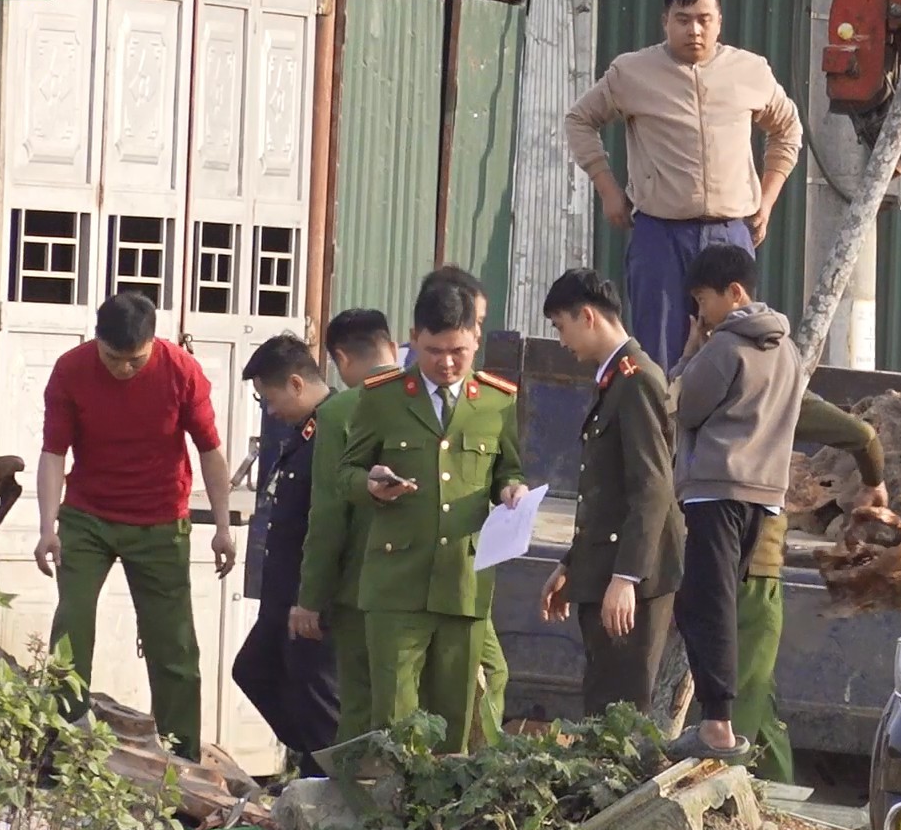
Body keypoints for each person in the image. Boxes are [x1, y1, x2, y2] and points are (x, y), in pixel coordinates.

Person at [564, 0, 803, 372]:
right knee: (658, 355)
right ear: (665, 21)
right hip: (661, 233)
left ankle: (724, 435)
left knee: (735, 351)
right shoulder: (632, 72)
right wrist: (606, 188)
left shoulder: (751, 71)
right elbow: (579, 120)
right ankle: (661, 433)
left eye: (704, 19)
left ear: (719, 21)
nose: (695, 30)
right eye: (683, 19)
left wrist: (767, 198)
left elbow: (787, 129)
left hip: (730, 233)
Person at [35, 292, 236, 761]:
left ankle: (181, 756)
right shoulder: (70, 370)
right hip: (86, 517)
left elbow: (210, 451)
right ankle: (61, 741)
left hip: (162, 520)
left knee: (174, 642)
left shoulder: (182, 370)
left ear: (153, 342)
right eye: (112, 359)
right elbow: (52, 454)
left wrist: (222, 526)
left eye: (134, 361)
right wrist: (48, 526)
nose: (123, 369)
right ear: (97, 340)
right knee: (72, 622)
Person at [338, 282, 530, 754]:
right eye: (434, 351)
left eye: (458, 351)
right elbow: (345, 473)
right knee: (396, 723)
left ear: (475, 340)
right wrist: (371, 483)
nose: (446, 363)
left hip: (463, 582)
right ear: (413, 338)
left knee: (454, 723)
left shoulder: (497, 400)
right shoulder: (383, 398)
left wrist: (511, 489)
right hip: (396, 581)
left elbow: (509, 467)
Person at [664, 243, 802, 761]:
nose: (700, 313)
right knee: (718, 600)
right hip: (763, 495)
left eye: (703, 300)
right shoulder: (787, 350)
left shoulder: (725, 347)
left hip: (716, 487)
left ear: (734, 293)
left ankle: (716, 725)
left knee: (708, 604)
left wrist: (691, 353)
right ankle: (717, 719)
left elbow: (684, 404)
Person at [536, 269, 683, 716]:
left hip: (632, 576)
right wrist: (570, 564)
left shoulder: (636, 380)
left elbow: (652, 486)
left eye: (562, 327)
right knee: (603, 701)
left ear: (587, 316)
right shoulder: (616, 380)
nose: (562, 342)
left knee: (619, 712)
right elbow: (607, 493)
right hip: (606, 568)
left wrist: (627, 578)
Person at [738, 394, 887, 783]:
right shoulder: (775, 383)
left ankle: (731, 790)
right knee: (753, 688)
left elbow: (863, 435)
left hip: (737, 563)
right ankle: (776, 786)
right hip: (750, 563)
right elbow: (863, 436)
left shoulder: (718, 374)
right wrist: (874, 481)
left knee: (745, 693)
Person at [233, 333, 341, 778]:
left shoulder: (332, 432)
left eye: (270, 398)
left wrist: (310, 597)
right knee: (255, 670)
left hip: (307, 597)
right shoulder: (303, 433)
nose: (269, 410)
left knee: (317, 698)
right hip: (282, 597)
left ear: (297, 384)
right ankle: (310, 761)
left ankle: (332, 780)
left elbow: (328, 523)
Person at [293, 308, 403, 746]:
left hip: (360, 588)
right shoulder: (431, 401)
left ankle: (356, 805)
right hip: (424, 585)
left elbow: (328, 515)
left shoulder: (338, 411)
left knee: (359, 705)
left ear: (341, 358)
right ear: (392, 344)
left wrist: (310, 598)